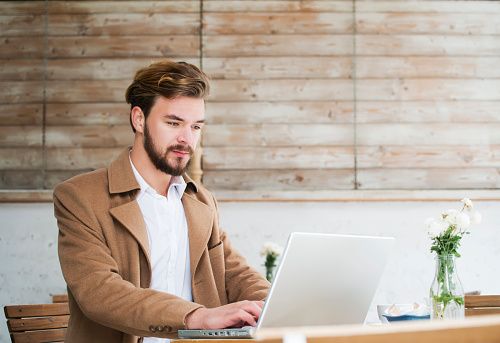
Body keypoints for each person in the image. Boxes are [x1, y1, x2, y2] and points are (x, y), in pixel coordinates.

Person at [53, 60, 271, 343]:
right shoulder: (79, 196)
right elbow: (99, 291)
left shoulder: (202, 200)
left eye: (195, 127)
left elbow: (234, 273)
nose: (186, 139)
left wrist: (274, 304)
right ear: (139, 119)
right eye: (173, 123)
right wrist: (196, 317)